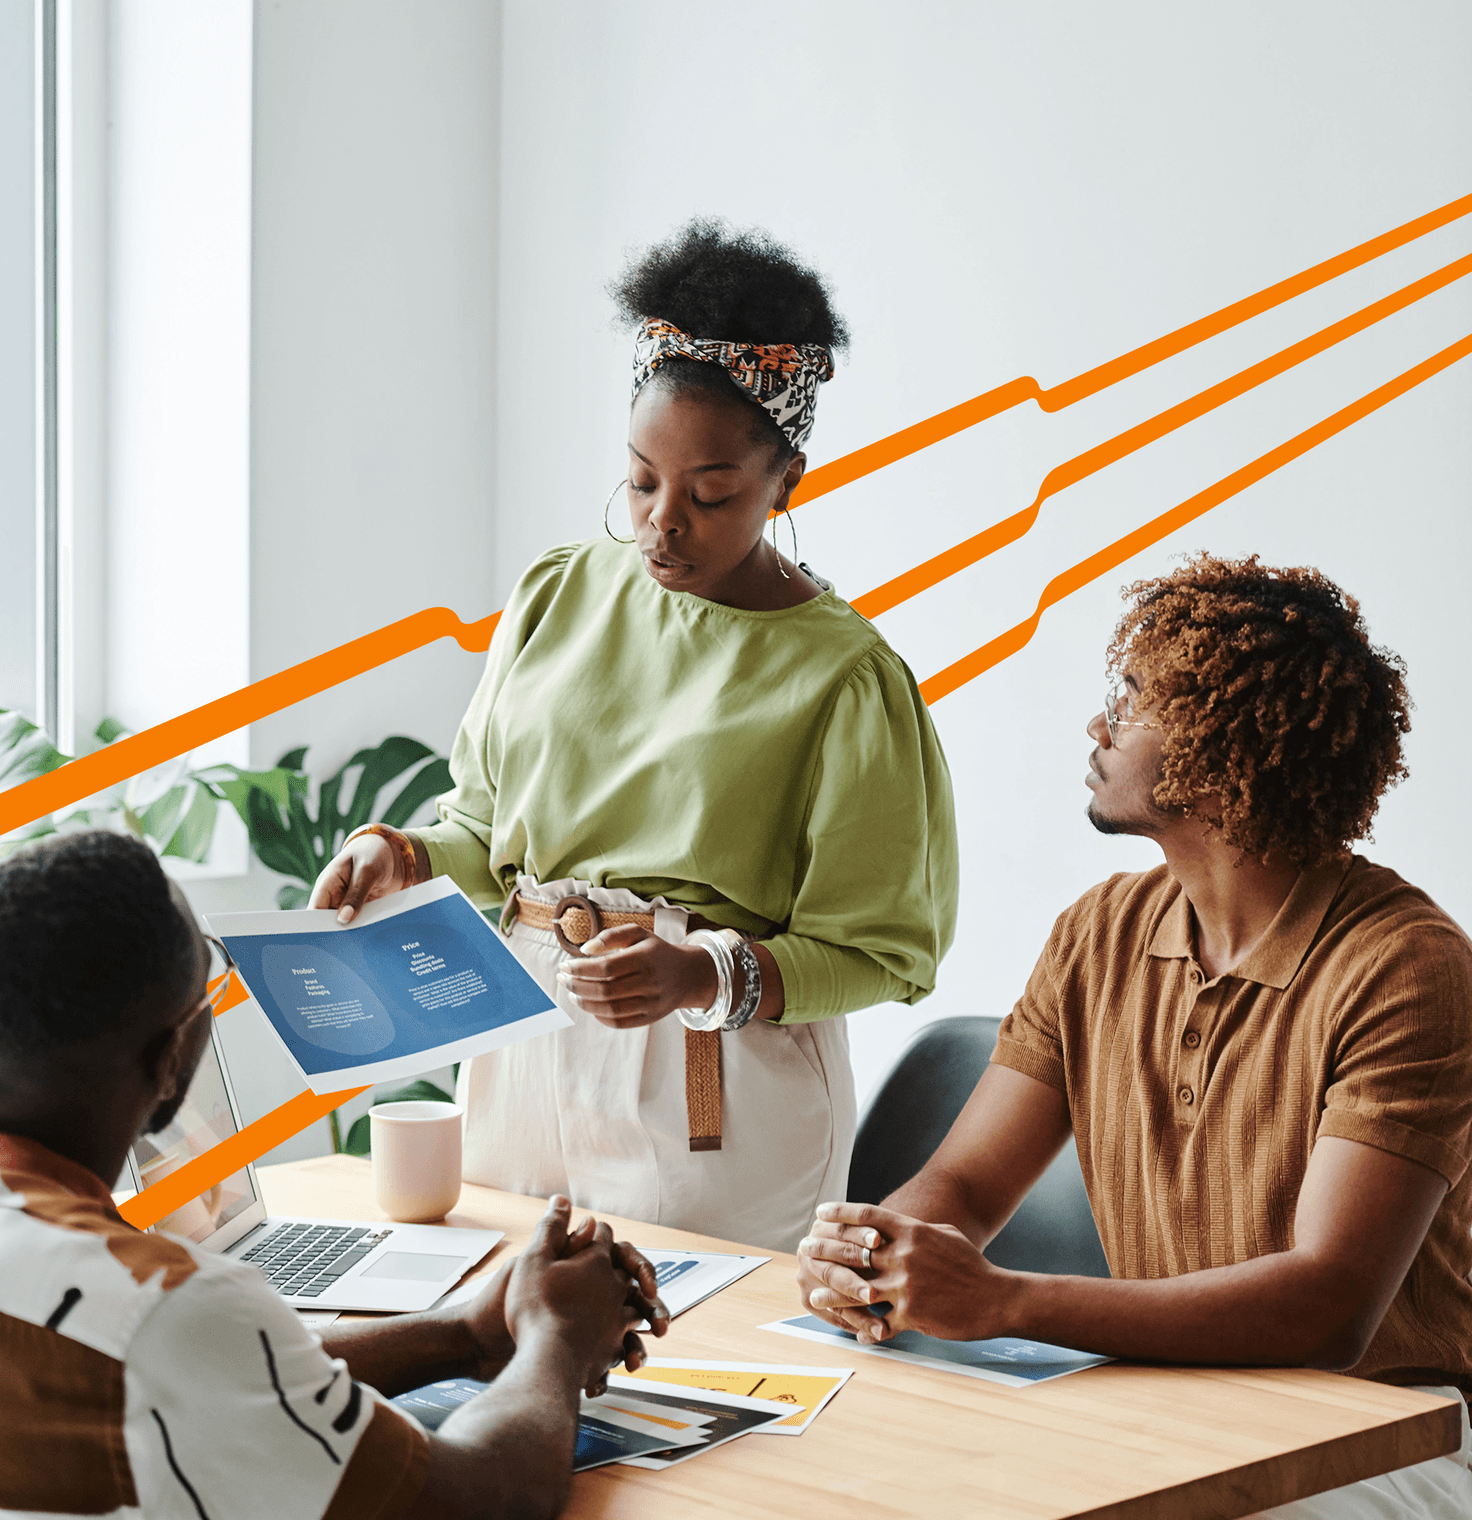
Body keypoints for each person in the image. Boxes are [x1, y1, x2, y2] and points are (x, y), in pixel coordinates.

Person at [310, 218, 959, 1253]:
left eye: (710, 494)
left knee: (709, 1383)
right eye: (640, 478)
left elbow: (881, 949)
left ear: (785, 477)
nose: (662, 521)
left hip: (715, 1082)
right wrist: (403, 852)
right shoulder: (557, 595)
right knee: (500, 1341)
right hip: (520, 1036)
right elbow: (487, 829)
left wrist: (700, 974)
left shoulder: (844, 678)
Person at [797, 553, 1472, 1517]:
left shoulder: (1407, 967)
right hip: (1162, 1404)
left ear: (1226, 753)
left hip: (1372, 1436)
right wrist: (875, 1256)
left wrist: (1003, 1303)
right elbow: (969, 1186)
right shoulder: (1098, 931)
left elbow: (1329, 1310)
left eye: (1133, 698)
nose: (1097, 726)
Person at [0, 830, 668, 1520]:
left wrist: (468, 1331)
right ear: (173, 1059)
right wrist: (559, 1339)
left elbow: (218, 1364)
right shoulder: (168, 1311)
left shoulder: (123, 1307)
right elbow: (484, 1495)